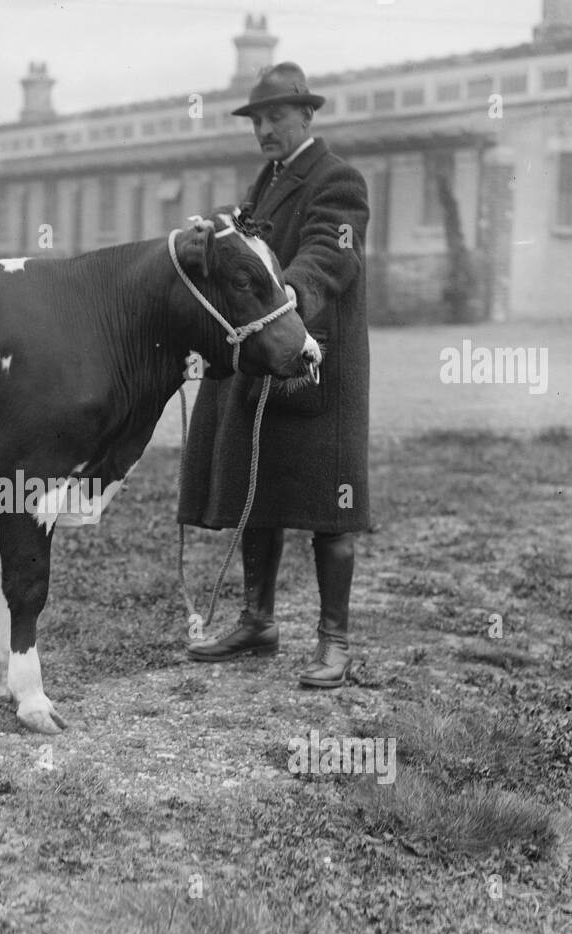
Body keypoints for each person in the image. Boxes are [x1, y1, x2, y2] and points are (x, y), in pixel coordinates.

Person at [177, 61, 370, 688]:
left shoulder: (338, 180)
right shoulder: (266, 181)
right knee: (257, 488)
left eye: (276, 117)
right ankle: (258, 621)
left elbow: (328, 256)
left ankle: (334, 642)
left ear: (307, 116)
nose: (264, 128)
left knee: (329, 505)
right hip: (267, 358)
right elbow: (244, 238)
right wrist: (211, 234)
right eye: (257, 120)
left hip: (318, 361)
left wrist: (283, 300)